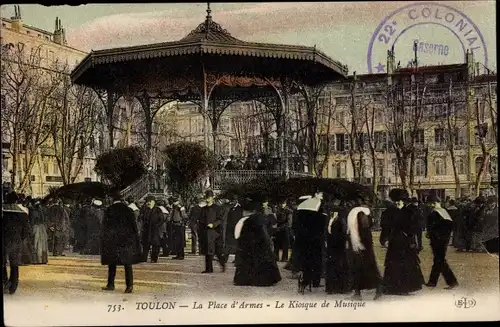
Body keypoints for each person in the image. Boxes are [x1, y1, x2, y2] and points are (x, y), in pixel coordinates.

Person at [380, 189, 424, 296]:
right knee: (393, 264)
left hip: (406, 242)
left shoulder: (410, 212)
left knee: (407, 264)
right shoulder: (388, 212)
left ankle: (406, 287)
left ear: (404, 201)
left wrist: (415, 241)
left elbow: (415, 228)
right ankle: (392, 287)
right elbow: (385, 228)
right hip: (394, 241)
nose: (398, 202)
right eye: (396, 201)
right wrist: (384, 239)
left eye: (400, 200)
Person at [101, 192, 141, 293]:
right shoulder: (128, 210)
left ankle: (110, 284)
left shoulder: (109, 210)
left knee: (112, 262)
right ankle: (129, 286)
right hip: (126, 240)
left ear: (112, 199)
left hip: (113, 240)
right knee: (127, 264)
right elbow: (134, 226)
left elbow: (105, 227)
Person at [233, 203, 281, 286]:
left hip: (250, 245)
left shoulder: (246, 220)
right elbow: (266, 232)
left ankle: (247, 280)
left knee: (249, 262)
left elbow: (240, 235)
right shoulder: (260, 219)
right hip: (261, 245)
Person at [347, 199, 383, 301]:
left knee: (365, 269)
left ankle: (376, 290)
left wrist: (360, 244)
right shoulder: (362, 213)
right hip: (361, 246)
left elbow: (364, 231)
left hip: (361, 246)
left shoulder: (360, 213)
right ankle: (358, 292)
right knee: (362, 269)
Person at [295, 191, 328, 293]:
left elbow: (297, 226)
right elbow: (323, 227)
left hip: (304, 240)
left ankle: (305, 281)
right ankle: (315, 281)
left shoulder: (301, 211)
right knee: (317, 260)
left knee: (306, 261)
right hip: (316, 240)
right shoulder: (320, 212)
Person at [425, 195, 458, 289]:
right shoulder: (443, 212)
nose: (431, 205)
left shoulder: (436, 213)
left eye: (433, 203)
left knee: (440, 261)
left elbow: (442, 228)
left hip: (439, 240)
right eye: (430, 203)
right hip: (440, 239)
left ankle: (452, 282)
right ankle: (432, 281)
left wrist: (434, 234)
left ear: (437, 203)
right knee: (438, 260)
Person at [3, 192, 31, 294]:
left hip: (4, 239)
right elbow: (26, 229)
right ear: (16, 200)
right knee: (14, 264)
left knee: (2, 263)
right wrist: (21, 238)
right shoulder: (22, 212)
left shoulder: (3, 210)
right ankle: (13, 286)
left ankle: (4, 282)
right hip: (16, 240)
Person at [197, 190, 226, 273]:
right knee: (207, 250)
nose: (207, 199)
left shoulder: (217, 208)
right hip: (206, 232)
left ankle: (222, 263)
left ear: (212, 198)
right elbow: (201, 221)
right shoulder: (203, 209)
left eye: (209, 197)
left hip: (215, 233)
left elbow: (220, 219)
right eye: (206, 197)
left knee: (217, 251)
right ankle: (208, 269)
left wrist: (213, 224)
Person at [325, 206, 352, 295]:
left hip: (335, 246)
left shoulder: (336, 221)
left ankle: (334, 288)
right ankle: (340, 287)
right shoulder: (340, 221)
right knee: (340, 266)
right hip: (338, 247)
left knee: (335, 266)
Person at [139, 196, 164, 263]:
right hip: (146, 229)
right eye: (147, 202)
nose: (148, 203)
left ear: (153, 202)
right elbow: (141, 218)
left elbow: (161, 219)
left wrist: (157, 225)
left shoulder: (157, 209)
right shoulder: (144, 209)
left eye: (149, 201)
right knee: (145, 244)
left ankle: (154, 258)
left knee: (155, 244)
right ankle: (144, 258)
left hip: (154, 230)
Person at [274, 198, 293, 262]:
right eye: (281, 203)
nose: (282, 204)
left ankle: (284, 258)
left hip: (285, 229)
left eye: (283, 203)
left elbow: (289, 222)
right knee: (277, 244)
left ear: (285, 203)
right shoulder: (278, 210)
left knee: (285, 244)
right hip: (279, 228)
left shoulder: (289, 211)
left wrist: (281, 227)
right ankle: (276, 257)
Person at [30, 199, 49, 264]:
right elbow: (43, 219)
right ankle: (43, 260)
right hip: (42, 228)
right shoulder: (41, 210)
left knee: (36, 244)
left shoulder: (33, 211)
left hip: (36, 227)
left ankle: (36, 260)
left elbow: (32, 221)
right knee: (43, 244)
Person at [224, 194, 242, 261]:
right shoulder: (231, 208)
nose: (232, 202)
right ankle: (225, 258)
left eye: (234, 200)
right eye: (232, 200)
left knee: (237, 244)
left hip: (237, 228)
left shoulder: (240, 209)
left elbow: (240, 219)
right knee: (228, 243)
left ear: (236, 201)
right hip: (230, 228)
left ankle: (237, 259)